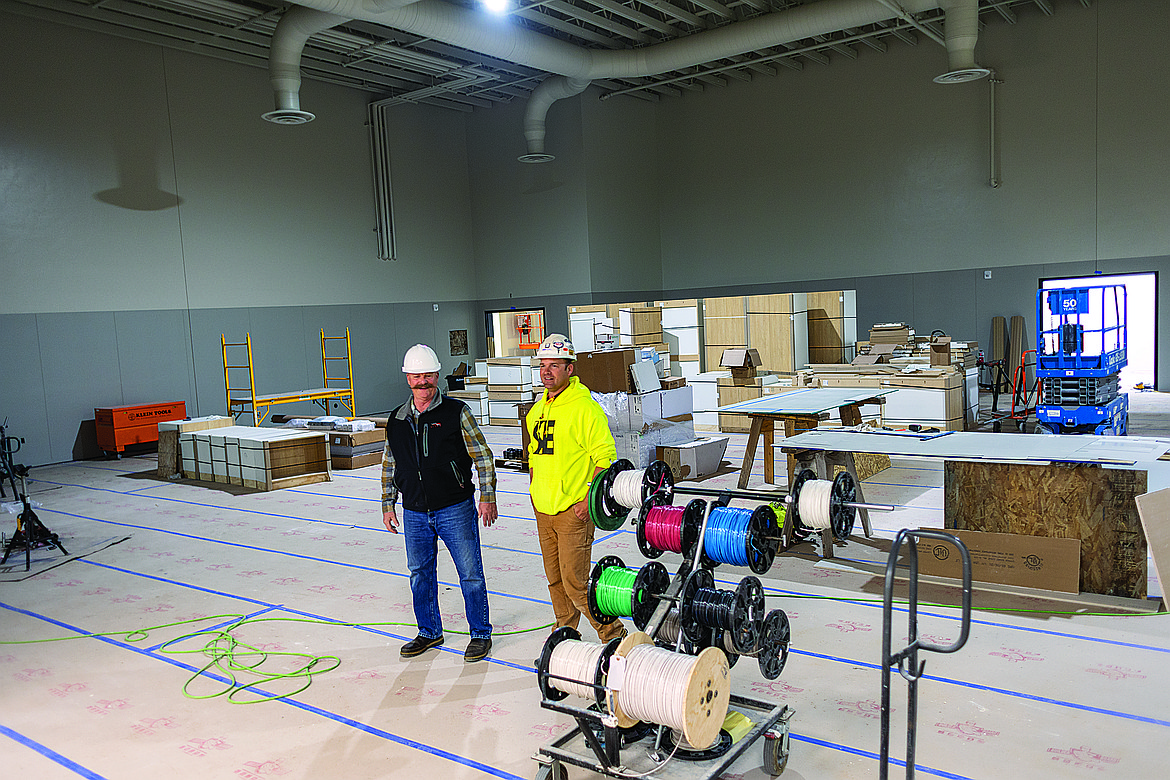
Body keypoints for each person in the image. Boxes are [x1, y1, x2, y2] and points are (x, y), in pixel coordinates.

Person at [382, 343, 498, 662]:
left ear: (436, 376)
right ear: (408, 379)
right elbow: (389, 464)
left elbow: (483, 458)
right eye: (416, 376)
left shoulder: (457, 413)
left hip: (455, 508)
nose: (423, 381)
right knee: (420, 574)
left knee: (470, 572)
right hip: (415, 512)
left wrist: (487, 498)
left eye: (428, 375)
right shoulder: (396, 420)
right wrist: (387, 504)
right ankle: (429, 632)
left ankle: (480, 634)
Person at [526, 334, 625, 642]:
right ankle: (565, 633)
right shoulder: (537, 410)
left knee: (577, 583)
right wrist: (534, 492)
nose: (547, 371)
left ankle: (614, 636)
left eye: (554, 365)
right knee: (555, 581)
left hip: (572, 512)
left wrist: (587, 501)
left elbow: (605, 459)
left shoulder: (585, 409)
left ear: (570, 369)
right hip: (544, 509)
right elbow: (533, 458)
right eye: (543, 365)